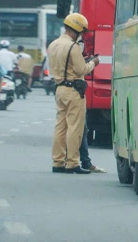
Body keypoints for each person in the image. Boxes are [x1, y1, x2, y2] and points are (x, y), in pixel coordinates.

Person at [48, 13, 98, 174]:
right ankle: (72, 163)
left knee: (60, 127)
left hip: (59, 89)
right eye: (81, 32)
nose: (81, 35)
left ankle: (58, 162)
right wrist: (93, 63)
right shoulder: (73, 46)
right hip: (74, 91)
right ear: (76, 29)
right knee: (74, 128)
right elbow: (81, 70)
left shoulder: (53, 44)